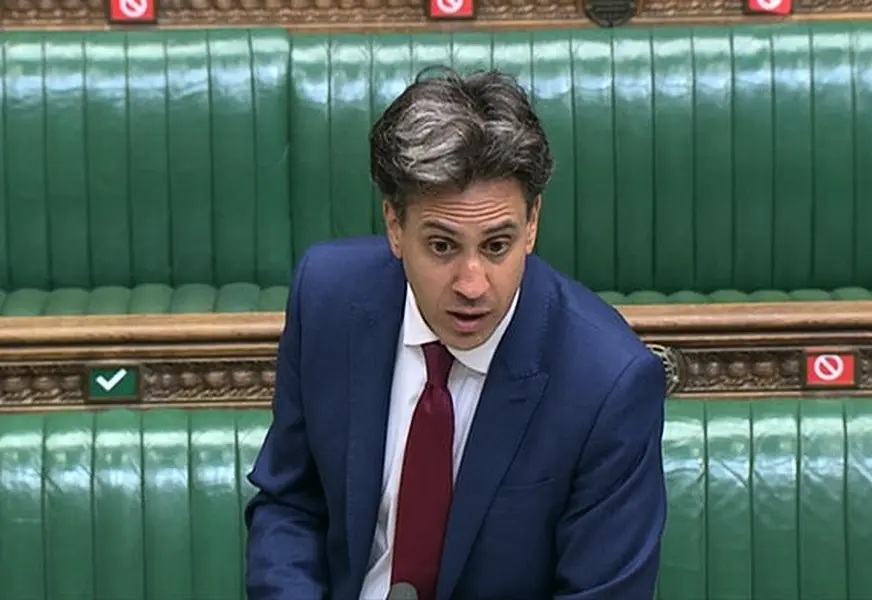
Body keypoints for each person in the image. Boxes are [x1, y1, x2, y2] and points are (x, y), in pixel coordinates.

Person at [244, 66, 667, 600]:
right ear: (395, 227)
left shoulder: (608, 383)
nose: (472, 285)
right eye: (442, 246)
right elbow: (291, 504)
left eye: (496, 246)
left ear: (532, 223)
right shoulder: (329, 298)